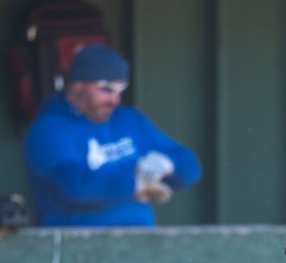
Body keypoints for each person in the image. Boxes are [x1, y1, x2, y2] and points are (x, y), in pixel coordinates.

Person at [23, 44, 201, 227]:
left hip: (140, 243)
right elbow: (74, 187)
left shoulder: (129, 120)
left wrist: (166, 164)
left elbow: (190, 165)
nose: (114, 99)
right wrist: (135, 184)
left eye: (120, 89)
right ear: (77, 86)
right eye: (106, 89)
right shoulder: (49, 129)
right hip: (77, 246)